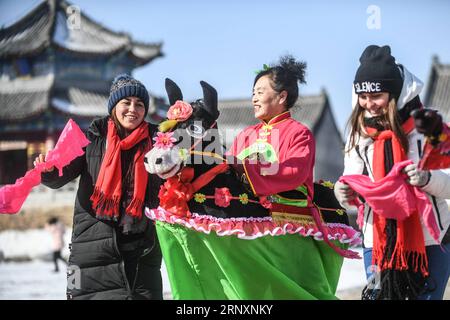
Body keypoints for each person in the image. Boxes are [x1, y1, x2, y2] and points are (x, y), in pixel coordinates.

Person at [334, 45, 450, 300]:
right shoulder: (358, 131)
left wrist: (426, 179)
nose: (368, 104)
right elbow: (351, 179)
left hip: (432, 239)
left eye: (375, 96)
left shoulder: (430, 125)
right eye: (362, 96)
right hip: (376, 240)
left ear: (394, 92)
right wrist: (342, 191)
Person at [34, 74, 163, 300]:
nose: (133, 109)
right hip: (91, 255)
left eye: (140, 104)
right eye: (126, 102)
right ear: (114, 106)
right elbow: (59, 176)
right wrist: (48, 172)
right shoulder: (90, 140)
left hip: (143, 254)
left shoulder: (158, 145)